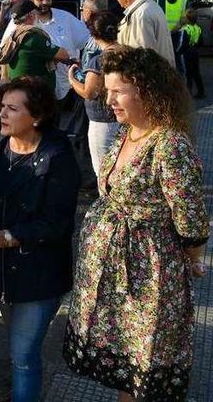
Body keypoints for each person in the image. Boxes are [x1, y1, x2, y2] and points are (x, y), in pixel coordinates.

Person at [64, 47, 208, 402]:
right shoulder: (127, 132)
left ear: (146, 90)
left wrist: (193, 258)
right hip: (119, 277)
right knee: (128, 370)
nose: (107, 99)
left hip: (149, 276)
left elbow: (191, 218)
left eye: (118, 91)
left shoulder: (169, 144)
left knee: (145, 366)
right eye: (108, 90)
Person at [0, 76, 80, 402]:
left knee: (23, 355)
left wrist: (6, 237)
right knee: (17, 342)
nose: (2, 113)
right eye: (2, 106)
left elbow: (57, 224)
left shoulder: (58, 159)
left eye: (12, 108)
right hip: (5, 274)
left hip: (40, 276)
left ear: (37, 117)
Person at [68, 11, 120, 176]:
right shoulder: (129, 52)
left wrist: (72, 79)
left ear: (93, 34)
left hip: (103, 120)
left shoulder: (98, 61)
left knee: (103, 171)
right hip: (127, 117)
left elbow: (90, 92)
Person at [0, 0, 72, 90]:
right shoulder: (33, 37)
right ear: (31, 15)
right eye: (37, 14)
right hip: (35, 94)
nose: (38, 17)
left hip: (21, 89)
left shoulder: (14, 36)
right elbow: (64, 55)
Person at [112, 0, 175, 66]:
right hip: (162, 74)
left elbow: (142, 58)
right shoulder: (151, 7)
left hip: (149, 78)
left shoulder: (140, 15)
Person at [183, 9, 204, 98]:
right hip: (195, 52)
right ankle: (201, 92)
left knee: (188, 74)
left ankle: (188, 93)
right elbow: (201, 42)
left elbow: (183, 43)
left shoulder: (185, 29)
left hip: (187, 52)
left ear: (187, 18)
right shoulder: (198, 28)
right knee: (196, 73)